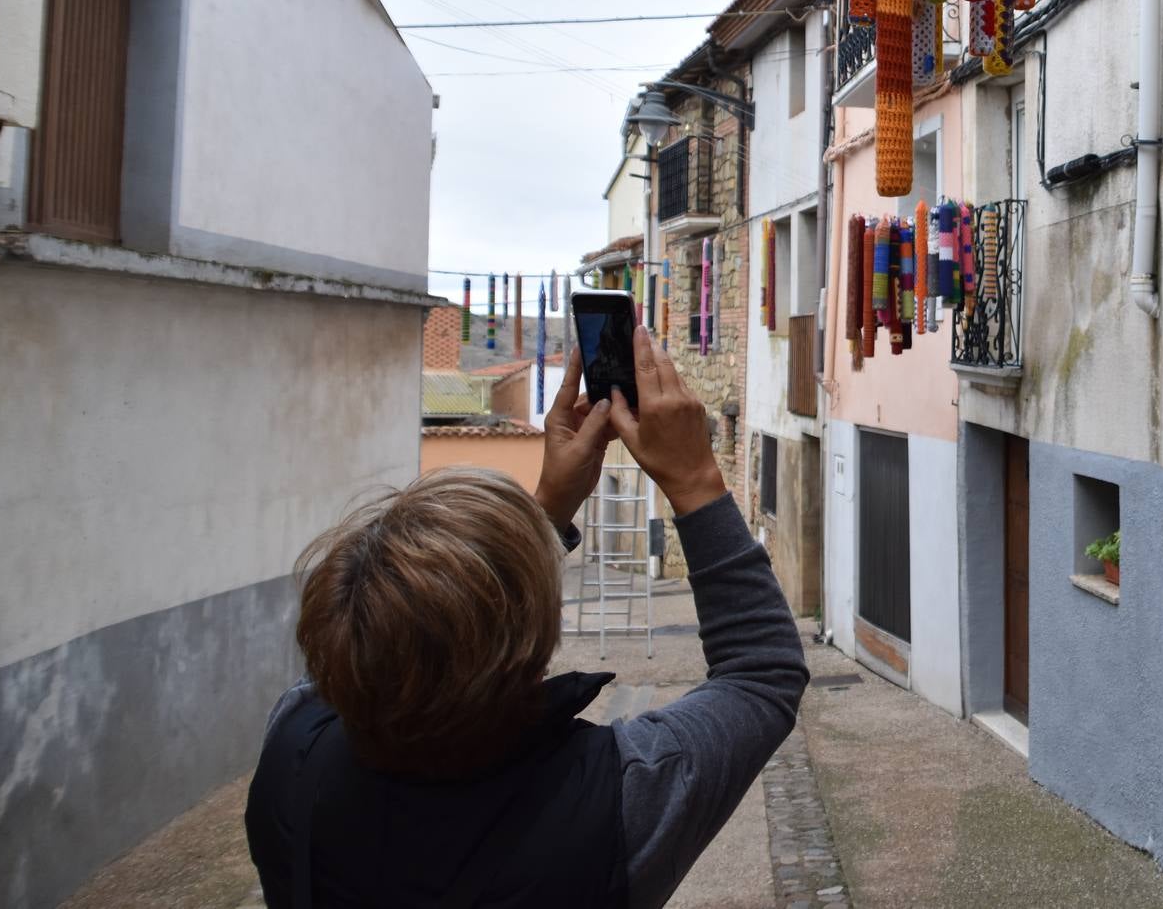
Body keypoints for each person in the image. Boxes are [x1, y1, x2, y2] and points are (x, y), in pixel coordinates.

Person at [246, 325, 807, 908]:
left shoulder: (292, 750)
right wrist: (695, 479)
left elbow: (395, 652)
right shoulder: (619, 802)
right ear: (533, 643)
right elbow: (762, 674)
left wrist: (547, 510)